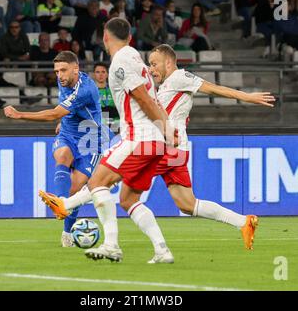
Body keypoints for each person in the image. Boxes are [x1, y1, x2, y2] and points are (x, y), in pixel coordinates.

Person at [39, 44, 276, 256]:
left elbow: (212, 89)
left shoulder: (180, 76)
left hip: (164, 146)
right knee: (187, 204)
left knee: (109, 181)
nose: (151, 70)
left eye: (154, 64)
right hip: (174, 149)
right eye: (149, 65)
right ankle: (244, 222)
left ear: (169, 62)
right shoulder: (162, 88)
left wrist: (248, 97)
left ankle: (67, 206)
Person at [41, 18, 178, 264]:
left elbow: (144, 100)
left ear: (105, 36)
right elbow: (152, 98)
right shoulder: (136, 57)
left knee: (97, 182)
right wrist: (167, 127)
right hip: (153, 138)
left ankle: (108, 243)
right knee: (127, 199)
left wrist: (166, 127)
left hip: (139, 137)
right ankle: (162, 250)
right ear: (130, 37)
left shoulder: (121, 62)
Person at [4, 51, 104, 247]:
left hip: (90, 141)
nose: (59, 75)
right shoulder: (64, 81)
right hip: (67, 134)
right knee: (63, 155)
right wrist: (63, 119)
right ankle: (60, 203)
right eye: (57, 71)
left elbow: (54, 113)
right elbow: (64, 109)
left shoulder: (85, 89)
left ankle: (67, 230)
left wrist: (19, 115)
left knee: (75, 190)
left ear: (76, 69)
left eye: (63, 70)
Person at [93, 62, 119, 127]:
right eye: (97, 72)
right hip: (98, 124)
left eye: (103, 72)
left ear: (107, 74)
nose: (100, 75)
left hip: (115, 124)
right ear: (94, 75)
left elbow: (119, 109)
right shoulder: (90, 91)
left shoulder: (114, 90)